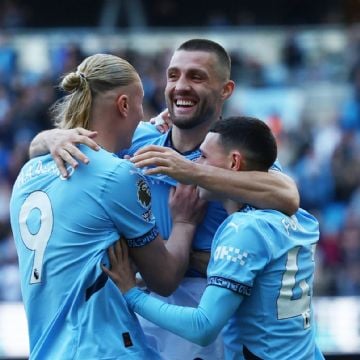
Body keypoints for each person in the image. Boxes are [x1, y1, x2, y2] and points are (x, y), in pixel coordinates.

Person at [28, 39, 300, 359]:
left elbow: (287, 195)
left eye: (196, 77)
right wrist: (51, 136)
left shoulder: (236, 157)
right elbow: (37, 152)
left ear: (226, 90)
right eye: (173, 76)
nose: (180, 86)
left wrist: (191, 172)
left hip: (209, 324)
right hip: (140, 317)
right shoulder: (136, 139)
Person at [9, 53, 206, 360]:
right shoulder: (116, 174)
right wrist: (184, 222)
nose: (143, 116)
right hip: (106, 349)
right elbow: (165, 279)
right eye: (140, 105)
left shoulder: (28, 173)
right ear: (124, 105)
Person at [103, 116, 325, 360]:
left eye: (204, 157)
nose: (195, 164)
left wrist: (130, 291)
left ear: (234, 163)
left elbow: (202, 327)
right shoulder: (300, 219)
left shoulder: (244, 229)